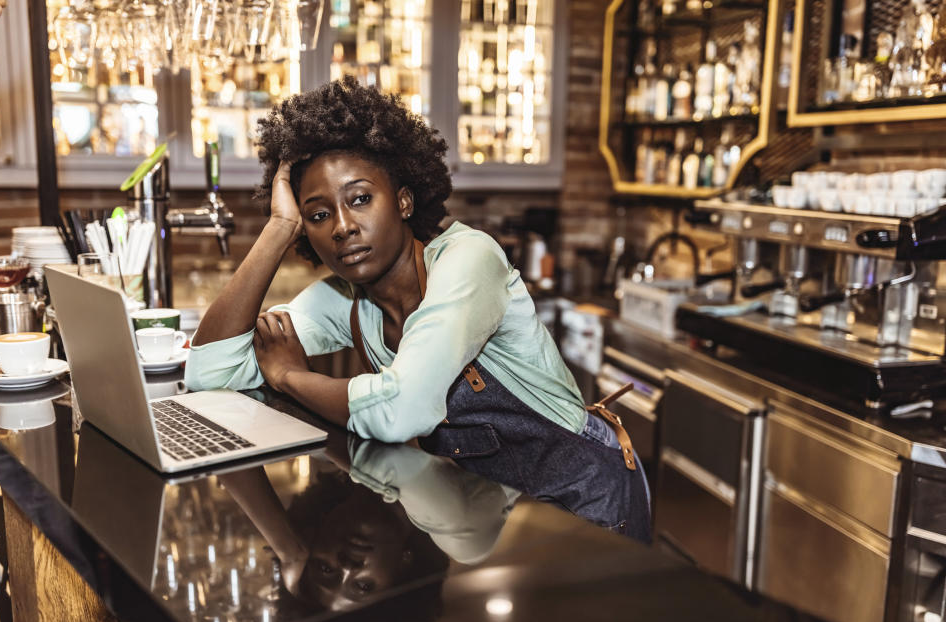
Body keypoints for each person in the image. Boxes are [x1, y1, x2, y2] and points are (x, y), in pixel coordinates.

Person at [185, 76, 651, 541]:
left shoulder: (468, 259)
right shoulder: (347, 299)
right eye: (319, 214)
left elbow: (402, 411)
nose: (343, 227)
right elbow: (211, 374)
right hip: (499, 510)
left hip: (589, 498)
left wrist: (290, 376)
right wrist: (279, 227)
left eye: (361, 198)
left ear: (404, 200)